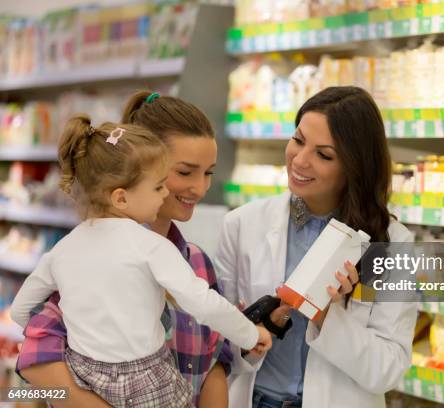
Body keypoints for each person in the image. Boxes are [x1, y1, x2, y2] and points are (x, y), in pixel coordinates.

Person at [11, 116, 272, 407]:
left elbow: (21, 311)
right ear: (121, 199)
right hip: (145, 381)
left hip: (84, 374)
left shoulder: (62, 250)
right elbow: (205, 304)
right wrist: (250, 334)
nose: (165, 193)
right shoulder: (152, 247)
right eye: (158, 186)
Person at [215, 86, 418, 408]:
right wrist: (258, 328)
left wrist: (325, 316)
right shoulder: (242, 225)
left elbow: (388, 369)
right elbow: (218, 345)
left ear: (355, 166)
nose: (300, 160)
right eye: (297, 140)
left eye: (324, 155)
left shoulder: (391, 244)